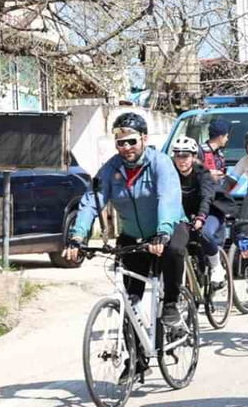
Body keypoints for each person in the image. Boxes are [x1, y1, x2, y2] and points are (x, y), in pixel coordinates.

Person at [65, 112, 188, 329]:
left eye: (132, 141)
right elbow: (91, 202)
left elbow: (167, 198)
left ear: (144, 138)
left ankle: (171, 303)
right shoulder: (110, 169)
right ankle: (135, 345)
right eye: (120, 143)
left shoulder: (161, 163)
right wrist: (77, 236)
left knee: (174, 251)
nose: (126, 147)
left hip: (168, 228)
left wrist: (163, 232)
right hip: (133, 235)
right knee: (132, 299)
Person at [169, 136, 228, 287]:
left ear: (194, 157)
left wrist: (201, 217)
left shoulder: (203, 173)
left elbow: (206, 197)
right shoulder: (170, 173)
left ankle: (216, 266)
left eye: (185, 156)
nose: (181, 160)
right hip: (185, 214)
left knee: (205, 232)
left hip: (210, 211)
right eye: (178, 156)